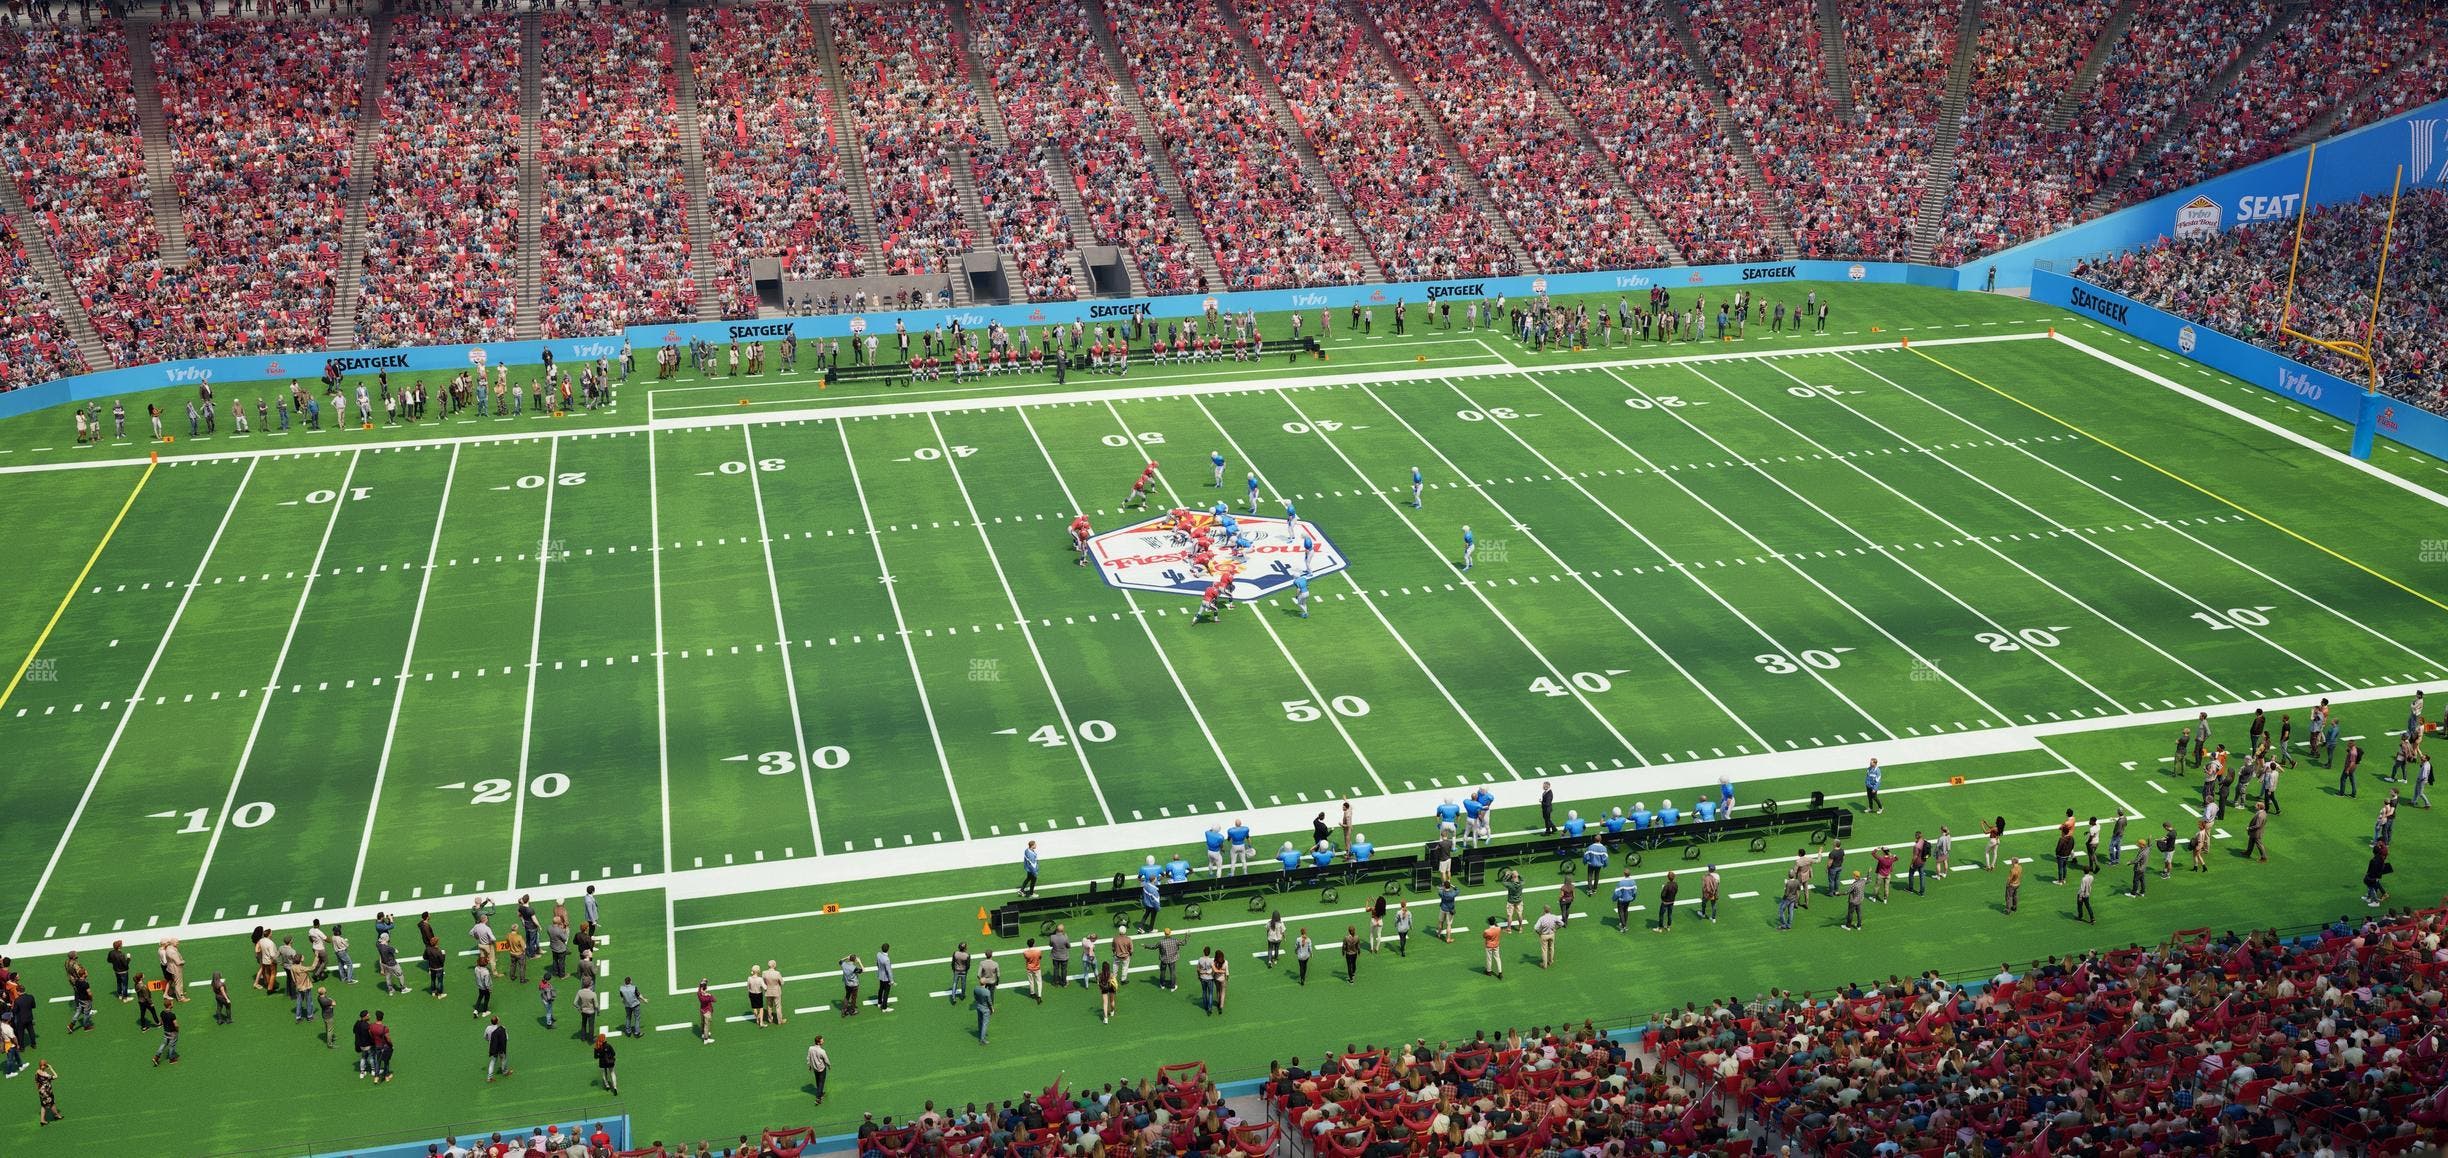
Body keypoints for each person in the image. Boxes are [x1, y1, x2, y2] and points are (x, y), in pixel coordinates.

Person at [482, 1015, 511, 1082]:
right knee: (503, 1058)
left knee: (493, 1061)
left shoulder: (488, 1028)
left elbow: (485, 1037)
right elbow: (506, 1038)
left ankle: (489, 1078)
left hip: (493, 1047)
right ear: (497, 1021)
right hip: (500, 1047)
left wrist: (490, 1041)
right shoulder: (502, 1028)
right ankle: (505, 1072)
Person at [35, 1058, 60, 1125]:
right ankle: (57, 1115)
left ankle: (42, 1120)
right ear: (44, 1065)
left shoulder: (37, 1072)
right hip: (47, 1092)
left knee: (43, 1105)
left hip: (41, 1091)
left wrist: (39, 1089)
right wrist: (51, 1068)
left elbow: (36, 1081)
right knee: (51, 1103)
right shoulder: (46, 1075)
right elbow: (56, 1076)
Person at [807, 1035, 830, 1102]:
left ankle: (820, 1093)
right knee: (821, 1083)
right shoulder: (822, 1051)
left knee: (817, 1081)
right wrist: (829, 1065)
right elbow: (826, 1060)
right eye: (822, 1040)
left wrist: (809, 1065)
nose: (823, 1041)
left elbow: (808, 1058)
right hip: (821, 1068)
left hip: (815, 1068)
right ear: (819, 1042)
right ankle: (818, 1098)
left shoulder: (810, 1048)